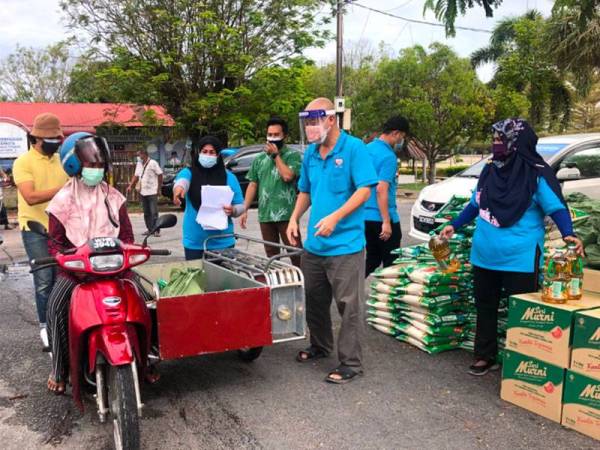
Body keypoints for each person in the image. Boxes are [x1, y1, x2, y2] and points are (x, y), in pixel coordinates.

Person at [439, 118, 584, 376]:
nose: (495, 144)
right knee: (485, 305)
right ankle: (485, 356)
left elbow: (556, 207)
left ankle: (521, 362)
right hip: (485, 253)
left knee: (522, 313)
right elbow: (476, 204)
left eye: (500, 140)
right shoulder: (491, 169)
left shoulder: (536, 174)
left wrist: (568, 234)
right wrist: (455, 224)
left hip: (521, 256)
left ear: (516, 142)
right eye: (494, 139)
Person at [44, 132, 156, 393]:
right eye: (91, 165)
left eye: (100, 165)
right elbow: (56, 242)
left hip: (115, 268)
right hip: (78, 271)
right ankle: (60, 370)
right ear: (74, 165)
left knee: (147, 301)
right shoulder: (62, 201)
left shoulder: (114, 196)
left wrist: (129, 252)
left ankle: (147, 362)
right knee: (55, 308)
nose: (97, 170)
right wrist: (66, 260)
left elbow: (126, 234)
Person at [287, 98, 377, 384]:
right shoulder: (311, 154)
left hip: (345, 246)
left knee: (348, 305)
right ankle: (320, 345)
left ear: (331, 120)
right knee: (313, 299)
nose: (311, 128)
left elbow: (364, 190)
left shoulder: (354, 149)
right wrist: (294, 218)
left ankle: (351, 362)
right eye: (307, 123)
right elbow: (305, 191)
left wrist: (336, 217)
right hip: (315, 245)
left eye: (315, 121)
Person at [12, 113, 69, 345]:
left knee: (64, 278)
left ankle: (62, 323)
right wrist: (64, 188)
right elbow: (30, 196)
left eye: (58, 139)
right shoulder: (23, 162)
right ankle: (47, 328)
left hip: (61, 229)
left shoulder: (60, 160)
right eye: (52, 139)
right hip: (35, 229)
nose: (57, 143)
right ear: (37, 138)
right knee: (44, 280)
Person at [240, 117, 303, 266]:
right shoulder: (260, 159)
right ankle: (276, 285)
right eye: (270, 134)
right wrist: (244, 209)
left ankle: (303, 284)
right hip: (266, 214)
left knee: (295, 252)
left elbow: (288, 176)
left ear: (284, 136)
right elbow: (253, 184)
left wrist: (276, 156)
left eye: (276, 134)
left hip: (287, 214)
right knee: (271, 256)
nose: (272, 138)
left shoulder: (292, 156)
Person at [172, 136, 245, 260]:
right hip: (195, 243)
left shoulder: (229, 177)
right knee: (197, 278)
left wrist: (233, 210)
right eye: (204, 152)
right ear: (198, 153)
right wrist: (178, 190)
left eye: (212, 152)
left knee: (222, 279)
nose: (208, 155)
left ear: (218, 156)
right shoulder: (189, 173)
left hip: (223, 242)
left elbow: (241, 205)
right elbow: (182, 182)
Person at [364, 116, 409, 276]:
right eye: (402, 137)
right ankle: (389, 298)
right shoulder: (388, 157)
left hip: (365, 217)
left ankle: (348, 287)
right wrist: (386, 221)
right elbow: (381, 189)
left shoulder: (367, 149)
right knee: (392, 264)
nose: (401, 141)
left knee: (373, 259)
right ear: (396, 133)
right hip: (382, 217)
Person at [127, 149, 163, 236]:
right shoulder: (139, 164)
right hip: (143, 192)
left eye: (139, 155)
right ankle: (150, 229)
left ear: (144, 154)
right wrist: (130, 186)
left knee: (153, 212)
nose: (138, 157)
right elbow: (136, 176)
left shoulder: (153, 163)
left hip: (152, 191)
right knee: (146, 212)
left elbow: (160, 174)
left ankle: (156, 230)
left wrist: (158, 188)